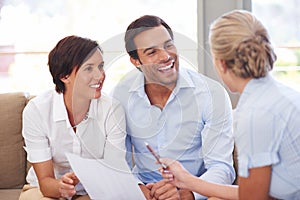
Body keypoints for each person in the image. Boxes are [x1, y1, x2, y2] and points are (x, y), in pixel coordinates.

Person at [160, 10, 300, 200]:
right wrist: (188, 181)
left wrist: (188, 183)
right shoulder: (279, 94)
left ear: (222, 64)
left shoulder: (254, 115)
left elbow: (253, 198)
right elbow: (253, 193)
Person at [111, 15, 235, 200]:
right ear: (136, 61)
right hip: (144, 193)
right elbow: (119, 162)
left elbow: (221, 166)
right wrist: (138, 189)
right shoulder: (121, 95)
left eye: (168, 45)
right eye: (152, 52)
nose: (165, 56)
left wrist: (189, 193)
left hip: (196, 191)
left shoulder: (212, 94)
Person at [19, 35, 127, 200]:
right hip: (47, 191)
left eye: (101, 66)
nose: (100, 76)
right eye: (89, 68)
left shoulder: (112, 109)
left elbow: (113, 171)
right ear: (64, 76)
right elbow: (45, 183)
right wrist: (62, 187)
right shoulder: (36, 111)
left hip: (95, 191)